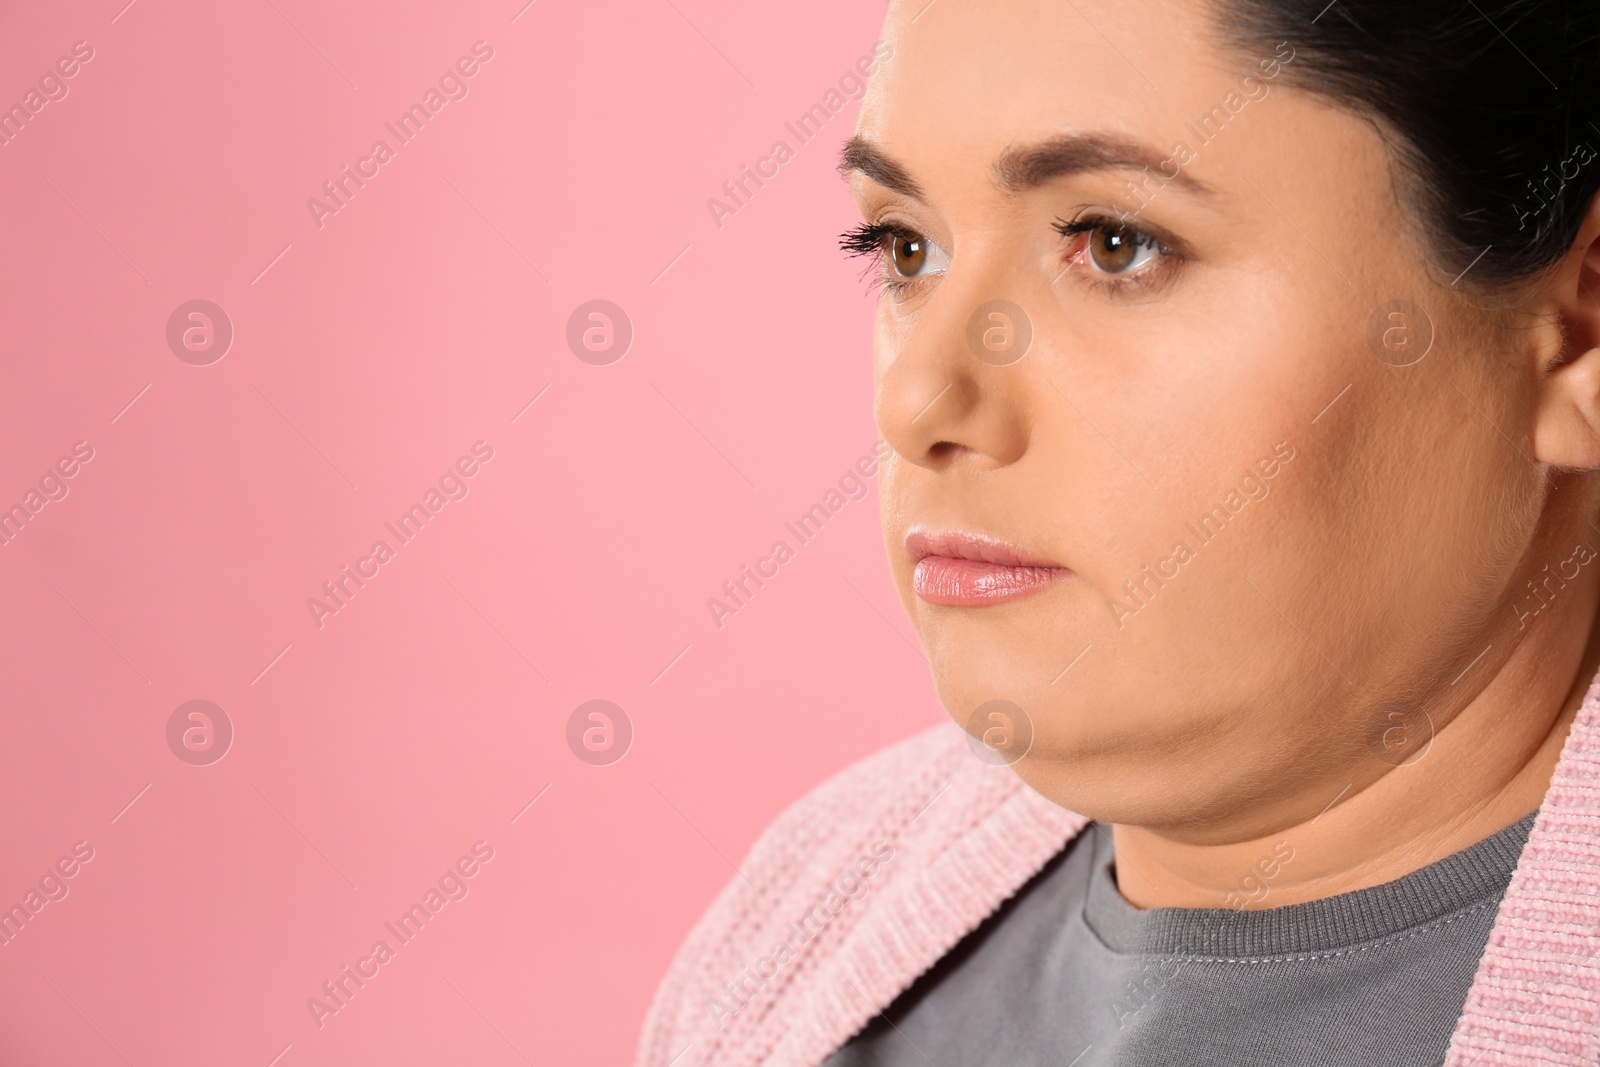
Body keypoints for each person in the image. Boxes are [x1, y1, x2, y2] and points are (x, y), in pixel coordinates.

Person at [637, 0, 1600, 1063]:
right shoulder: (805, 910)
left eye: (1115, 243)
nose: (916, 401)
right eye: (905, 245)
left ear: (1577, 330)